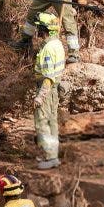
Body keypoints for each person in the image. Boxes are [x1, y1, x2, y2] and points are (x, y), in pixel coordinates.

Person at [32, 12, 65, 170]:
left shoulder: (48, 49)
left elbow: (48, 77)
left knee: (42, 123)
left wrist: (40, 96)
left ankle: (50, 157)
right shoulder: (57, 44)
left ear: (44, 29)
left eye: (39, 27)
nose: (37, 31)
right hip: (54, 90)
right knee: (52, 122)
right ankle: (52, 155)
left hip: (47, 89)